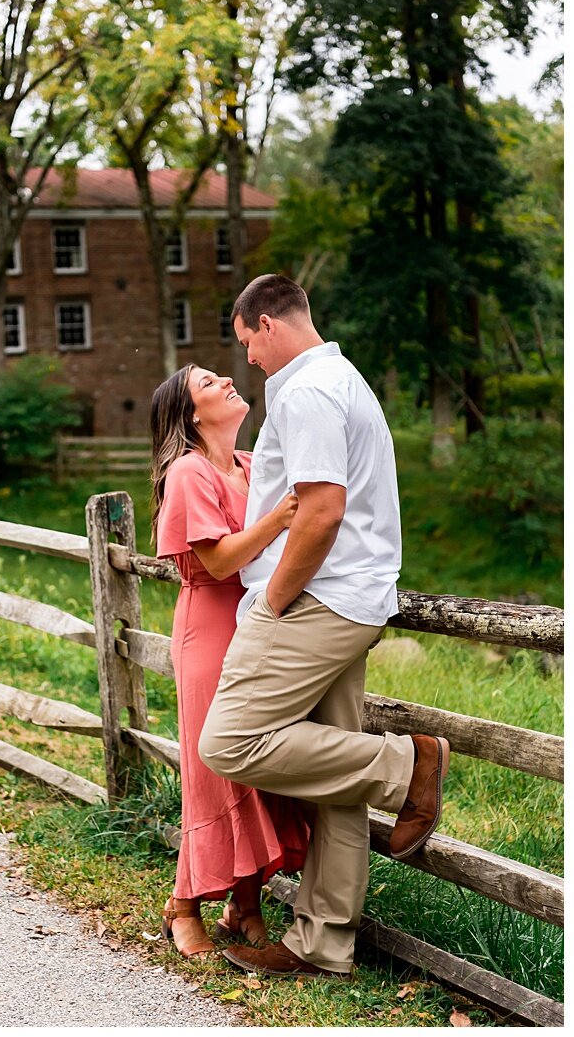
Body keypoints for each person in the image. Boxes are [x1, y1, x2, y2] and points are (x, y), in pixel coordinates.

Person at [197, 273, 450, 979]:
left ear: (269, 325)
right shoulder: (343, 377)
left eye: (248, 343)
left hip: (316, 600)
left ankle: (408, 763)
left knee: (230, 739)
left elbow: (321, 509)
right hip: (351, 595)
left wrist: (272, 599)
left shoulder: (304, 388)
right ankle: (323, 941)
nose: (248, 360)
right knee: (335, 768)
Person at [149, 363, 309, 957]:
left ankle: (244, 906)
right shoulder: (188, 472)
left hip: (257, 626)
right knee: (214, 772)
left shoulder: (246, 466)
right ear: (192, 415)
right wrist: (278, 518)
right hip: (211, 629)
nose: (226, 382)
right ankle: (183, 903)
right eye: (209, 383)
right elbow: (217, 563)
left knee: (252, 763)